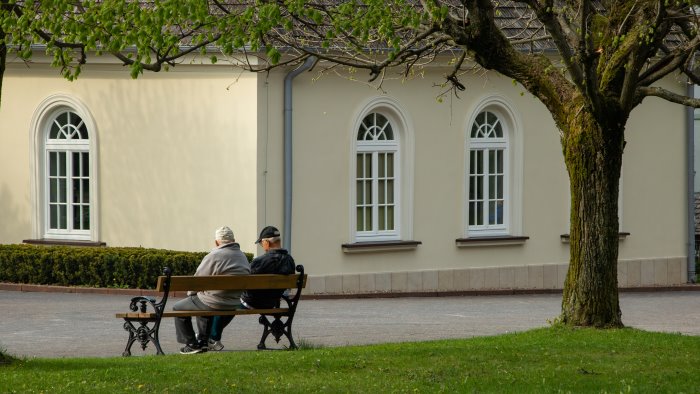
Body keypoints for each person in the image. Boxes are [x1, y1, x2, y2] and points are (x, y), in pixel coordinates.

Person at [208, 225, 296, 350]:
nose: (261, 246)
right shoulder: (290, 261)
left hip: (252, 301)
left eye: (261, 243)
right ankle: (211, 337)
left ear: (266, 242)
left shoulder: (260, 261)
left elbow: (245, 280)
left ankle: (212, 338)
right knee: (231, 302)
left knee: (225, 302)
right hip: (272, 303)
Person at [173, 226, 250, 354]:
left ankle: (191, 344)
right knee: (202, 300)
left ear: (216, 242)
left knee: (179, 308)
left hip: (215, 302)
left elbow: (197, 281)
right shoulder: (242, 256)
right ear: (234, 240)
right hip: (234, 303)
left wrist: (192, 295)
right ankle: (203, 341)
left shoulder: (214, 255)